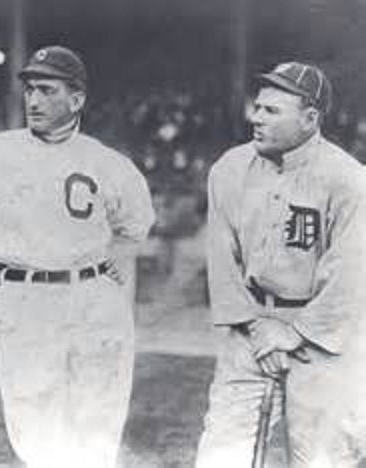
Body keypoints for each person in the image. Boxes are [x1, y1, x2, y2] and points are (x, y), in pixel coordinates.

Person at [0, 45, 155, 468]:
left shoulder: (108, 162)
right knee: (35, 434)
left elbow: (136, 225)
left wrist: (118, 255)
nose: (33, 100)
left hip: (93, 299)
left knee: (98, 429)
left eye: (47, 90)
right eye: (30, 89)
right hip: (22, 297)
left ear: (77, 99)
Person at [195, 62, 366, 467]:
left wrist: (294, 335)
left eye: (272, 111)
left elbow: (352, 275)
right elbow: (222, 260)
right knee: (221, 455)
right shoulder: (230, 169)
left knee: (324, 459)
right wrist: (259, 330)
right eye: (257, 107)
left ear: (310, 119)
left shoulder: (349, 180)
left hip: (324, 341)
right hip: (250, 331)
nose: (256, 117)